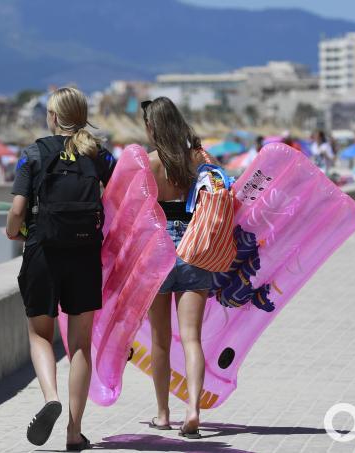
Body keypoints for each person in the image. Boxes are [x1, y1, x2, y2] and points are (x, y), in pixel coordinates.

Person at [6, 87, 114, 451]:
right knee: (81, 343)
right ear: (82, 115)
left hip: (42, 252)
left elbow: (17, 212)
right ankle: (73, 430)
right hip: (84, 254)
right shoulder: (99, 156)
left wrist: (12, 232)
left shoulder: (33, 154)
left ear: (53, 117)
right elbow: (126, 195)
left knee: (40, 334)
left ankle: (50, 395)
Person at [141, 96, 211, 439]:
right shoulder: (197, 160)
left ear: (152, 127)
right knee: (192, 338)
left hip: (159, 250)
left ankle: (163, 413)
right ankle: (193, 409)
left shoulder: (149, 164)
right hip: (195, 246)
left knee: (160, 340)